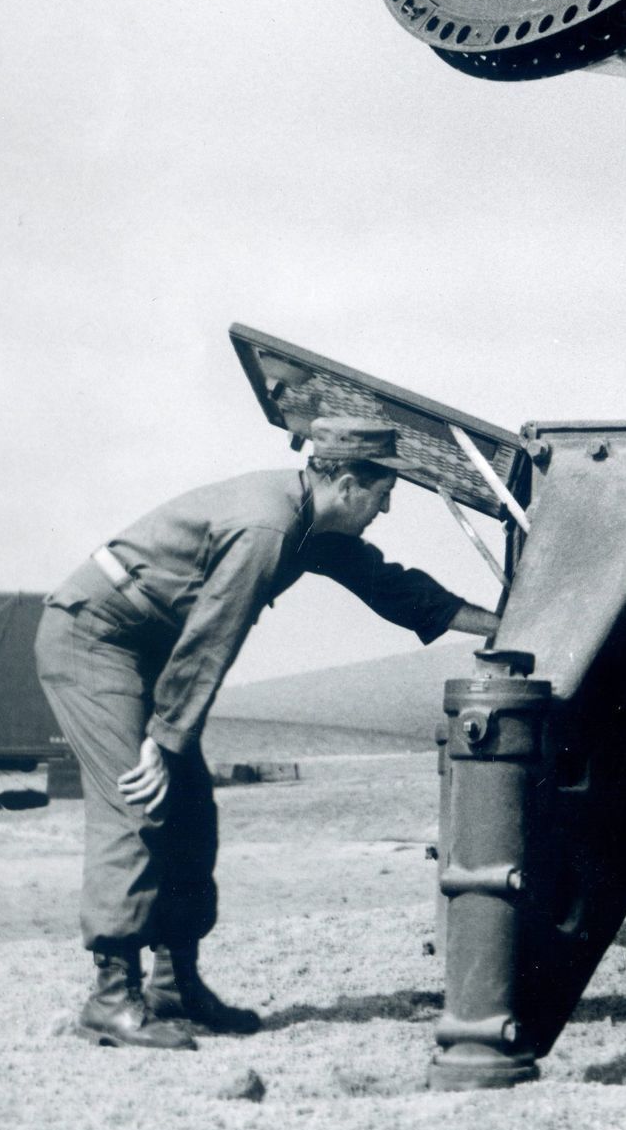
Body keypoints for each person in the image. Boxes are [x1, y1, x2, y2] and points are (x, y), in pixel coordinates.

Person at [34, 417, 500, 1049]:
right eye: (383, 493)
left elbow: (389, 587)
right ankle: (110, 999)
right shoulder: (269, 526)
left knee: (191, 810)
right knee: (137, 804)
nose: (385, 509)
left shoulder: (313, 523)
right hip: (95, 638)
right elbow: (214, 636)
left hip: (150, 646)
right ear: (344, 483)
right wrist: (164, 739)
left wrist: (502, 623)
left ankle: (175, 988)